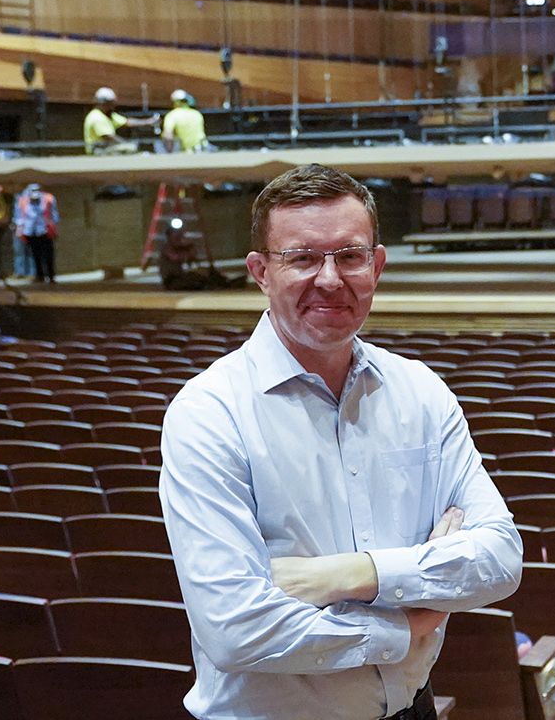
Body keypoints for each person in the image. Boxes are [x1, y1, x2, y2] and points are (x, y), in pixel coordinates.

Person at [159, 164, 523, 720]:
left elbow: (499, 559)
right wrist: (411, 617)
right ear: (260, 271)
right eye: (302, 258)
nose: (330, 279)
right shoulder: (210, 413)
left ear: (376, 266)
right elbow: (235, 629)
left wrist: (355, 574)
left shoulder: (421, 392)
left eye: (349, 256)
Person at [13, 183, 58, 284]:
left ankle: (51, 276)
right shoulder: (22, 200)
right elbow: (19, 216)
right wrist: (19, 229)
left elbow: (54, 214)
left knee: (48, 254)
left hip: (45, 230)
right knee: (35, 254)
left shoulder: (49, 198)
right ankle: (39, 275)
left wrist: (54, 228)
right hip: (30, 230)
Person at [84, 86, 140, 155]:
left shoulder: (108, 115)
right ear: (104, 103)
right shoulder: (97, 117)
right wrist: (125, 143)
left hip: (106, 147)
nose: (113, 106)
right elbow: (108, 137)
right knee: (130, 148)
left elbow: (127, 122)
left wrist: (149, 121)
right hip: (98, 150)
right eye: (111, 104)